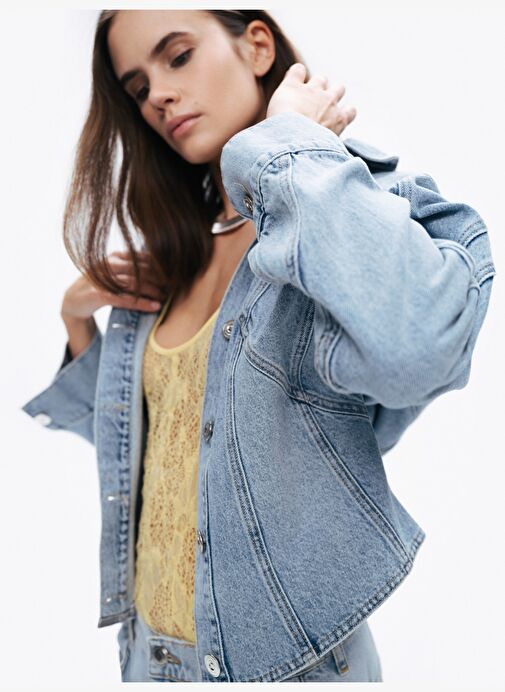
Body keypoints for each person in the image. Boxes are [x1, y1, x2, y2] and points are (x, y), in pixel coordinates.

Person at [20, 8, 496, 684]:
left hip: (290, 664)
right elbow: (165, 458)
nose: (159, 96)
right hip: (149, 660)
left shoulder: (346, 211)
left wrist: (290, 147)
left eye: (177, 56)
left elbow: (417, 349)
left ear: (258, 47)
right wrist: (77, 323)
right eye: (139, 88)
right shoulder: (172, 261)